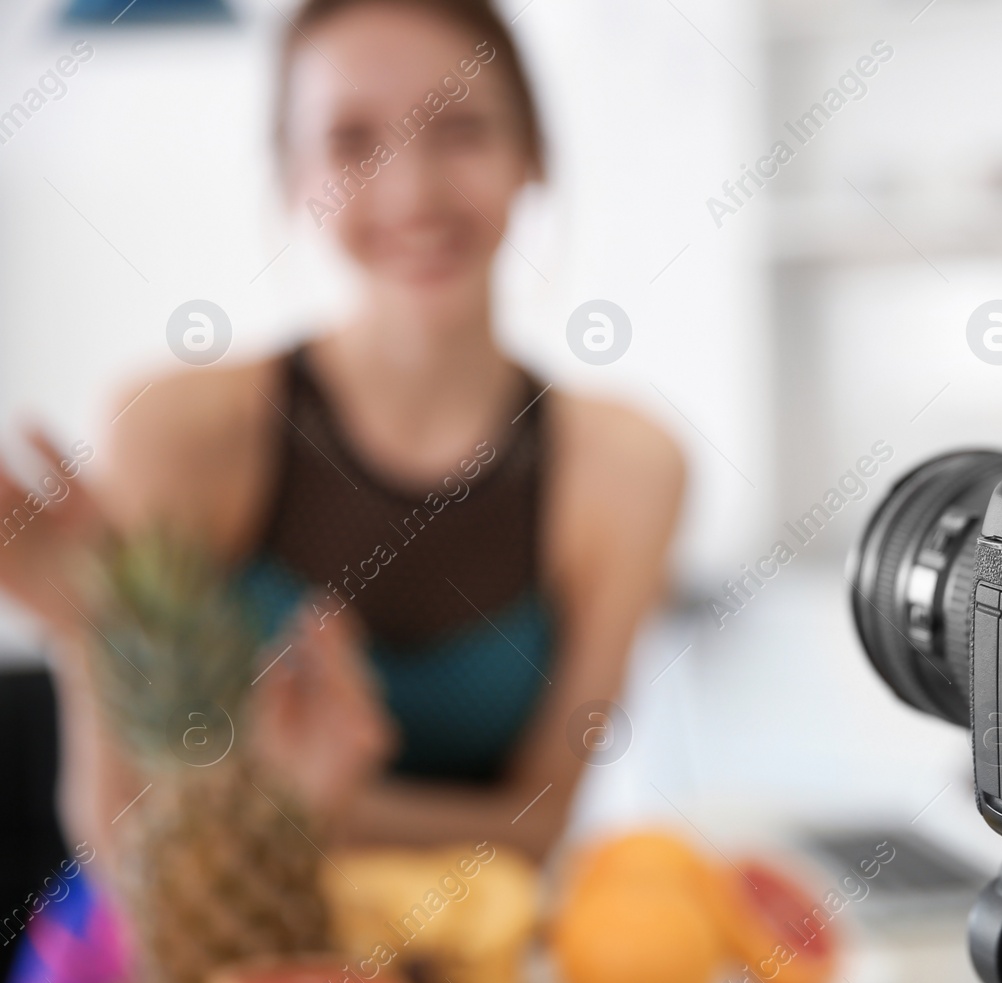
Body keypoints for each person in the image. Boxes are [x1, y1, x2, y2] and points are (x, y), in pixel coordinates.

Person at [0, 0, 684, 874]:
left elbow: (539, 833)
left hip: (459, 971)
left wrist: (285, 799)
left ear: (533, 155)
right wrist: (85, 629)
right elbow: (120, 829)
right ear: (292, 178)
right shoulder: (178, 428)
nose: (413, 192)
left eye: (463, 130)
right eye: (352, 141)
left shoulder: (629, 467)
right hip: (179, 967)